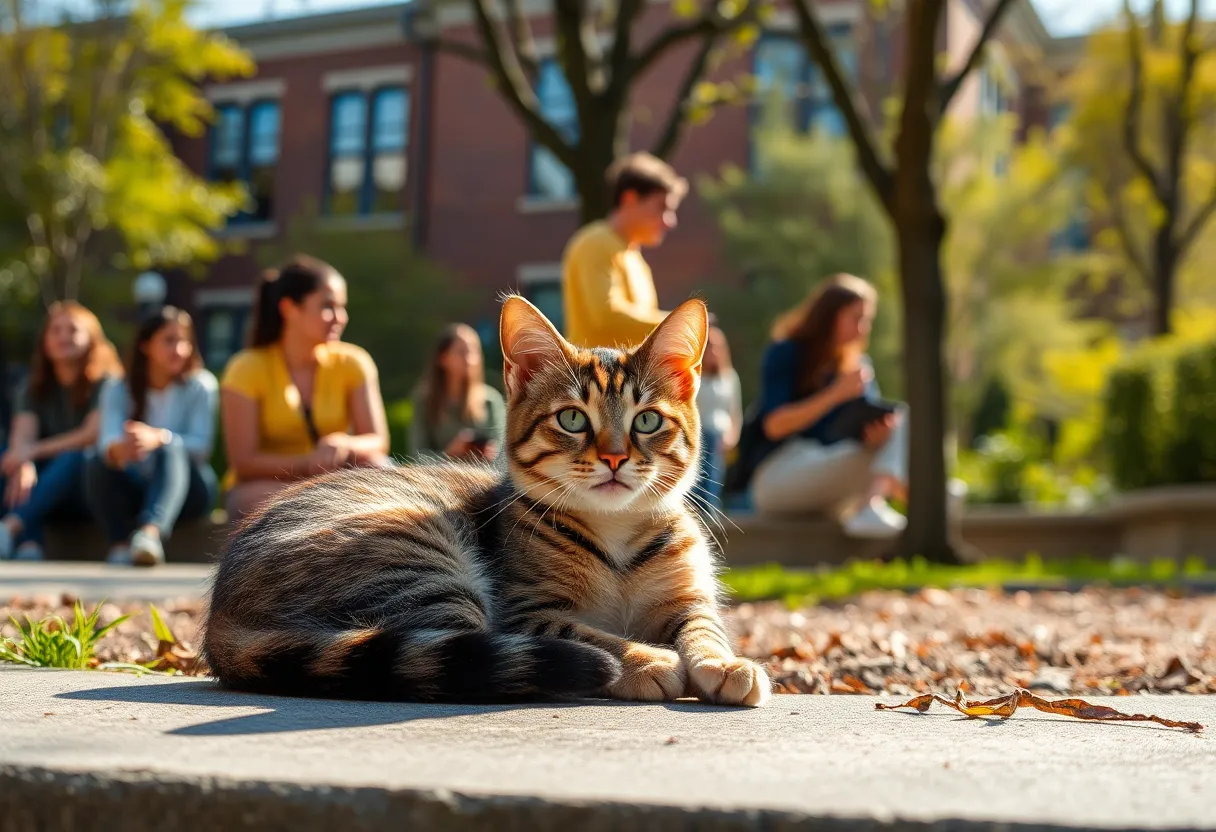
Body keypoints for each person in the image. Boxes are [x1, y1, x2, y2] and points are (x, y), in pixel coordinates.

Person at [220, 255, 390, 520]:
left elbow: (378, 441)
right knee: (285, 505)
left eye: (342, 307)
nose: (340, 318)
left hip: (332, 484)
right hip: (265, 487)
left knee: (381, 469)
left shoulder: (355, 362)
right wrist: (308, 464)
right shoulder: (245, 368)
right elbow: (244, 463)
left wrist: (343, 443)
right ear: (289, 308)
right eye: (328, 306)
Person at [749, 274, 908, 539]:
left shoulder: (858, 367)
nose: (863, 329)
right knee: (906, 432)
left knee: (902, 422)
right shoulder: (787, 352)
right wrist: (835, 394)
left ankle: (882, 505)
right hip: (778, 478)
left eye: (867, 321)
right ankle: (876, 506)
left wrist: (879, 437)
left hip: (831, 483)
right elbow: (774, 426)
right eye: (856, 318)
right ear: (829, 316)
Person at [85, 307, 219, 566]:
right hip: (137, 483)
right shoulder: (117, 387)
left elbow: (203, 446)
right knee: (95, 461)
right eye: (170, 341)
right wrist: (120, 449)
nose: (179, 350)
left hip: (191, 489)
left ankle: (149, 534)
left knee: (170, 449)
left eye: (185, 342)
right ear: (146, 345)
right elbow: (106, 440)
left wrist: (160, 438)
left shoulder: (202, 385)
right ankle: (120, 544)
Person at [0, 302, 123, 561]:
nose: (63, 337)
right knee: (7, 458)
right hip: (42, 486)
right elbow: (22, 435)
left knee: (75, 457)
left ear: (92, 338)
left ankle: (10, 527)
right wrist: (24, 461)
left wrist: (31, 452)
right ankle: (28, 543)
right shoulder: (30, 387)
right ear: (45, 340)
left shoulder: (108, 383)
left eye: (72, 330)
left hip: (87, 490)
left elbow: (90, 435)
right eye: (55, 330)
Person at [561, 152, 687, 348]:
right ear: (630, 199)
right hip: (593, 377)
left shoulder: (635, 258)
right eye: (661, 207)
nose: (670, 222)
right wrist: (681, 323)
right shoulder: (596, 242)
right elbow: (606, 317)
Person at [410, 324, 505, 462]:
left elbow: (503, 453)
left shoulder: (491, 400)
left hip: (484, 477)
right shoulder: (424, 400)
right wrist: (450, 454)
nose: (470, 359)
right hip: (439, 478)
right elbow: (417, 456)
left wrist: (489, 453)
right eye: (462, 352)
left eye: (475, 352)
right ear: (443, 358)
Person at [694, 325, 742, 512]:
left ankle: (710, 511)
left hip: (720, 439)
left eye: (716, 345)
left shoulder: (729, 377)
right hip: (700, 435)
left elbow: (734, 411)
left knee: (714, 478)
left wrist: (732, 437)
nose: (712, 350)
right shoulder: (695, 377)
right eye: (708, 345)